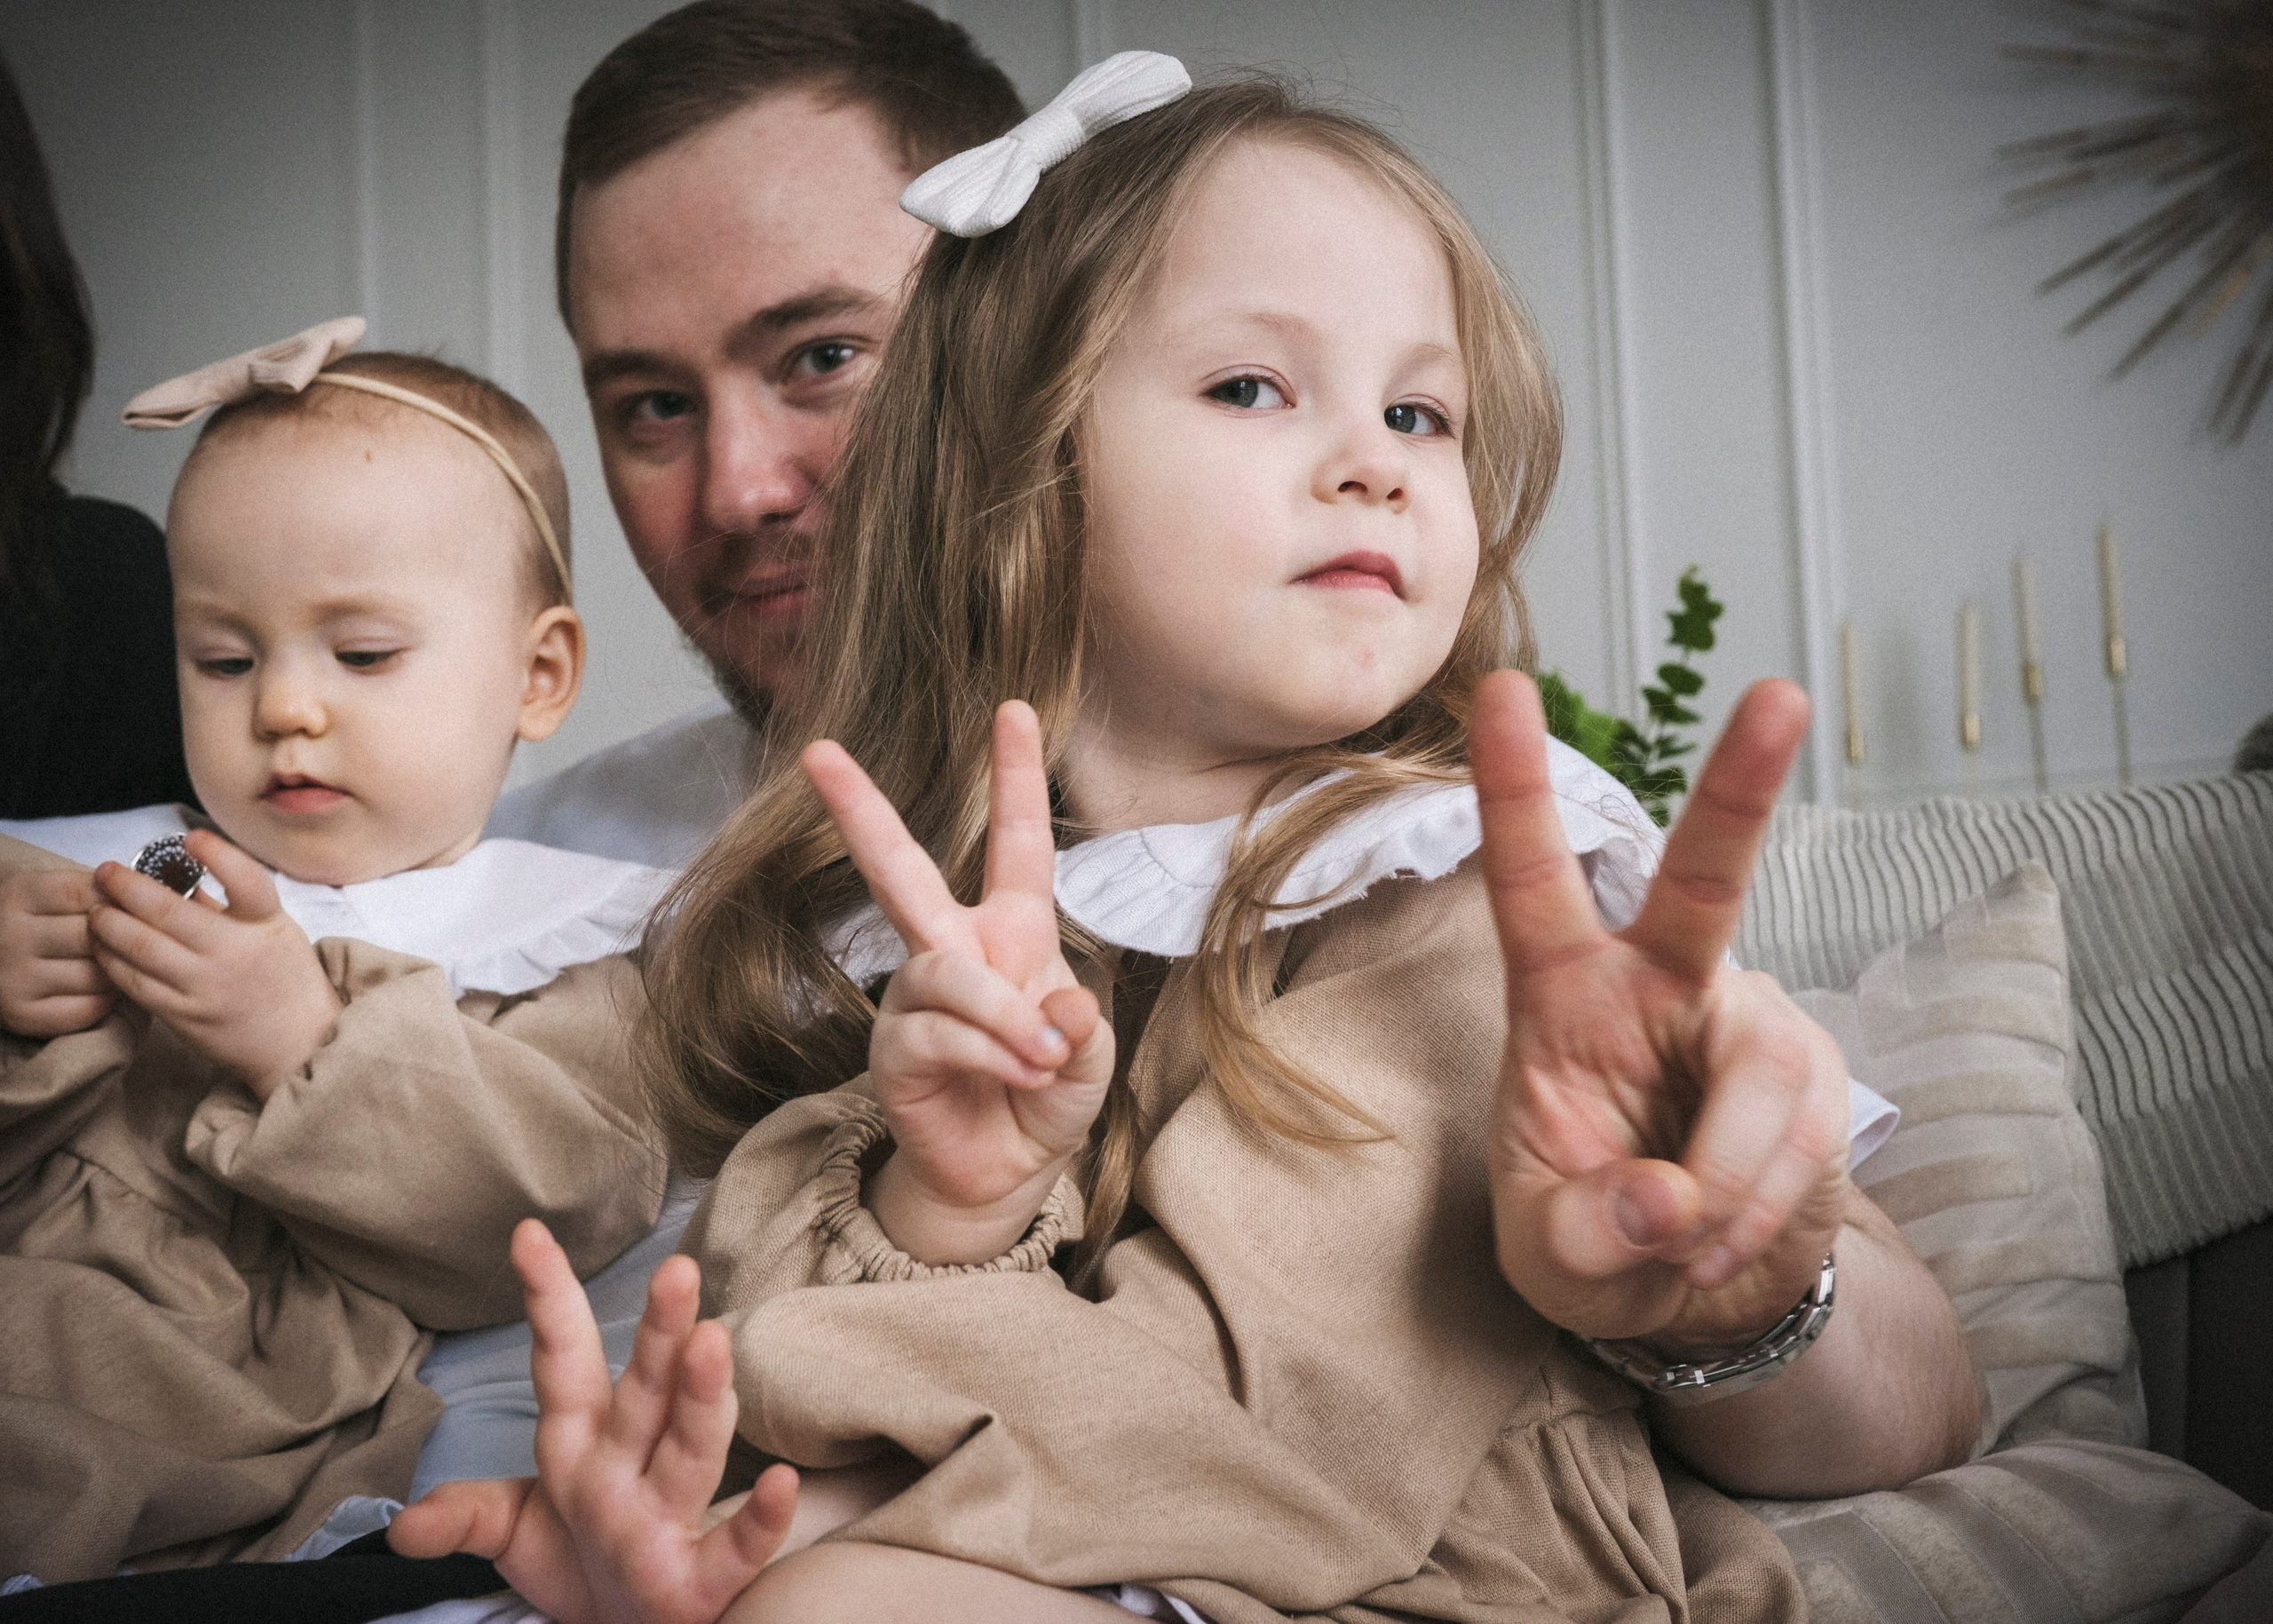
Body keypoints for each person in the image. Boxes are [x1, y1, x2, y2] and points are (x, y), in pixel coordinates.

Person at [392, 67, 1978, 1623]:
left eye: (1422, 409)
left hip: (1410, 1567)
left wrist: (1757, 1286)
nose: (1377, 457)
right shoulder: (912, 908)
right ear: (1019, 473)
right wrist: (951, 1199)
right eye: (1252, 386)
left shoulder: (1452, 875)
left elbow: (1269, 1396)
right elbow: (776, 1321)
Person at [0, 329, 671, 1581]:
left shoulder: (557, 946)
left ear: (539, 674)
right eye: (225, 658)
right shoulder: (135, 869)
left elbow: (539, 1216)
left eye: (362, 655)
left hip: (213, 1385)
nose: (284, 708)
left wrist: (306, 1041)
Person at [485, 0, 1024, 867]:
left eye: (821, 356)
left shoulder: (1297, 848)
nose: (737, 493)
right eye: (658, 405)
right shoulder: (519, 901)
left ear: (1033, 332)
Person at [0, 50, 196, 820]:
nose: (293, 716)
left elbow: (187, 855)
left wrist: (131, 911)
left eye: (366, 654)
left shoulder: (107, 591)